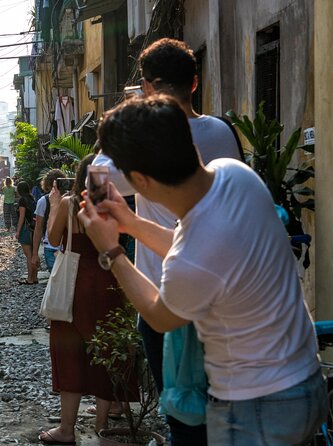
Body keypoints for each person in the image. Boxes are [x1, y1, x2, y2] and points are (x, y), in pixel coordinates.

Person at [79, 95, 326, 445]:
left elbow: (160, 317)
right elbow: (197, 253)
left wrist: (111, 251)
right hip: (305, 381)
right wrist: (131, 223)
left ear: (139, 181)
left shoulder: (194, 258)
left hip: (256, 408)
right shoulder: (235, 174)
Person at [93, 38, 244, 444]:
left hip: (164, 289)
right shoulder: (225, 139)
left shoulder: (143, 148)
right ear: (195, 83)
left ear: (145, 88)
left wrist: (126, 117)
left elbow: (96, 179)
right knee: (223, 408)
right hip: (225, 293)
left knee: (182, 415)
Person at [38, 155, 134, 445]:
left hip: (74, 283)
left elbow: (53, 240)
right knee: (105, 351)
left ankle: (67, 429)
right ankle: (101, 424)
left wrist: (54, 205)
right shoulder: (113, 205)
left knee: (69, 352)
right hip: (108, 278)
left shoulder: (68, 203)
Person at [31, 169, 65, 273]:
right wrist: (35, 254)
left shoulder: (68, 199)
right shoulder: (44, 201)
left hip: (63, 248)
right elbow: (38, 228)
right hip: (53, 248)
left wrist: (35, 254)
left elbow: (38, 228)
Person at [15, 181, 37, 285]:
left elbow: (22, 217)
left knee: (28, 255)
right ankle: (35, 277)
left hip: (25, 229)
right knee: (33, 253)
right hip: (34, 229)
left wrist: (18, 231)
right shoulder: (32, 198)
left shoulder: (22, 201)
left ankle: (29, 279)